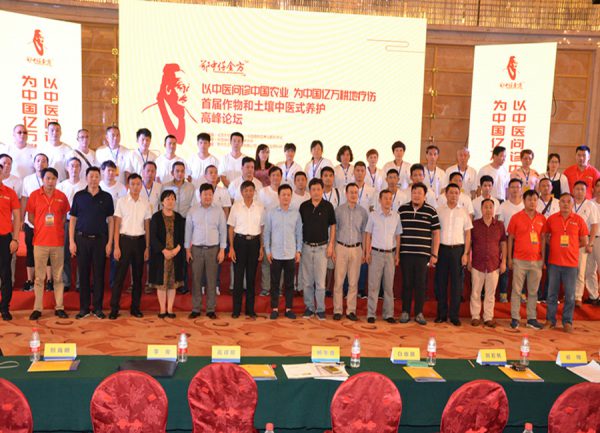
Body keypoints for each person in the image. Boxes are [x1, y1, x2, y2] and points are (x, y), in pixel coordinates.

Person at [70, 166, 114, 319]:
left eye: (96, 176)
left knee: (99, 275)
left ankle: (97, 308)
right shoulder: (79, 196)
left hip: (100, 241)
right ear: (86, 178)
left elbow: (111, 220)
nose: (94, 179)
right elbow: (73, 219)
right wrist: (71, 241)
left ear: (100, 178)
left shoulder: (106, 197)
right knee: (83, 274)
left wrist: (110, 242)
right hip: (81, 240)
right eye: (91, 176)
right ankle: (84, 308)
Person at [26, 167, 70, 320]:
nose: (51, 182)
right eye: (48, 178)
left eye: (53, 179)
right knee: (39, 278)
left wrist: (55, 228)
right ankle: (37, 308)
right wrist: (40, 227)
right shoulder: (34, 195)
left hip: (57, 242)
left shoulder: (62, 196)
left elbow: (64, 217)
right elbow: (30, 217)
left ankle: (59, 307)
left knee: (58, 277)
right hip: (40, 242)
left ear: (57, 180)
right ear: (43, 179)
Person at [109, 174, 152, 320]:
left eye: (138, 184)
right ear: (128, 185)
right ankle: (114, 308)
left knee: (138, 278)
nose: (135, 187)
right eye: (133, 184)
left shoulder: (145, 203)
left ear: (141, 185)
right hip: (124, 241)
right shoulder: (121, 201)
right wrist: (116, 246)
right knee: (119, 277)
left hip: (139, 242)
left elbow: (147, 226)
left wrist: (147, 247)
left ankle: (135, 308)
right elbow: (116, 225)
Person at [545, 193, 589, 333]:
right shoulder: (552, 219)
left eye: (568, 201)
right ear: (558, 204)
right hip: (554, 263)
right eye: (562, 201)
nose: (565, 204)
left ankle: (567, 322)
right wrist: (554, 244)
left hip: (571, 264)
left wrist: (572, 247)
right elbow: (546, 236)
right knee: (552, 294)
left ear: (572, 204)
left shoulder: (579, 220)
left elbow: (584, 241)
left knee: (570, 295)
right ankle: (550, 320)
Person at [398, 183, 440, 325]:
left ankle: (419, 313)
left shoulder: (431, 211)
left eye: (419, 193)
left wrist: (434, 254)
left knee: (420, 284)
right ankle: (405, 312)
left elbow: (436, 233)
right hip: (405, 253)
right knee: (406, 283)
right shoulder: (402, 210)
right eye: (414, 192)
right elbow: (397, 233)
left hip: (423, 255)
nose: (416, 195)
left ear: (425, 195)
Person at [185, 183, 227, 319]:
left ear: (213, 195)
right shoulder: (193, 210)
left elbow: (223, 231)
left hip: (213, 249)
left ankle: (210, 309)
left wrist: (222, 250)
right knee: (196, 279)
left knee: (211, 280)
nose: (207, 197)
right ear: (200, 195)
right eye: (205, 194)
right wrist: (187, 250)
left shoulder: (219, 211)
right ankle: (196, 308)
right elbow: (188, 231)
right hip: (196, 249)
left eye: (210, 194)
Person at [507, 189, 546, 329]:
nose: (532, 202)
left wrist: (543, 259)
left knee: (533, 291)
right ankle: (515, 318)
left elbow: (543, 239)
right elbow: (510, 238)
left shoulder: (542, 219)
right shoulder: (516, 217)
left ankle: (531, 318)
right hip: (519, 260)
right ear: (524, 201)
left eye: (535, 199)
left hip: (536, 261)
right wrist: (509, 258)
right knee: (516, 290)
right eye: (529, 199)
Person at [435, 183, 472, 326]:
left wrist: (466, 253)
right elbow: (434, 233)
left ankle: (454, 316)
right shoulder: (439, 211)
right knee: (441, 283)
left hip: (458, 251)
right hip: (442, 250)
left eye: (456, 193)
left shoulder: (463, 212)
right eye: (451, 192)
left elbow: (468, 234)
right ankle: (441, 314)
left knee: (457, 285)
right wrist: (434, 253)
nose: (454, 195)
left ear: (459, 195)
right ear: (446, 194)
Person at [264, 184, 302, 319]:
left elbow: (299, 233)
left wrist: (298, 251)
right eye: (283, 195)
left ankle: (288, 308)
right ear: (279, 196)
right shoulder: (271, 213)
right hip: (275, 254)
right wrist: (267, 251)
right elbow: (267, 233)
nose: (286, 197)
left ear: (291, 197)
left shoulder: (296, 213)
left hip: (290, 253)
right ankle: (274, 308)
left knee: (289, 283)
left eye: (288, 195)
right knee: (275, 283)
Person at [299, 178, 336, 320]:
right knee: (307, 281)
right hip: (306, 247)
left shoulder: (328, 206)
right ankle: (309, 308)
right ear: (310, 191)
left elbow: (333, 225)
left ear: (322, 190)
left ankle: (320, 309)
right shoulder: (304, 206)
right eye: (313, 189)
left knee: (320, 282)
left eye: (318, 189)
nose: (316, 192)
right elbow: (299, 227)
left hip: (322, 248)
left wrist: (331, 245)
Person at [228, 181, 265, 318]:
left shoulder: (260, 207)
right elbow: (231, 228)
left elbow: (262, 228)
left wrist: (261, 247)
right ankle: (236, 310)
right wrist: (231, 247)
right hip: (239, 242)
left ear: (254, 192)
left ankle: (250, 309)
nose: (248, 193)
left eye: (251, 190)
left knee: (251, 277)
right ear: (241, 192)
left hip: (254, 243)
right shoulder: (236, 206)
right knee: (238, 277)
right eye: (246, 191)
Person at [364, 189, 401, 323]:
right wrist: (367, 252)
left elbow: (398, 236)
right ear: (380, 200)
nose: (388, 201)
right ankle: (371, 314)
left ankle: (388, 314)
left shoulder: (396, 216)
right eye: (385, 198)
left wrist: (397, 254)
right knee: (373, 286)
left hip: (390, 254)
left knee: (388, 286)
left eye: (390, 198)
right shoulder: (373, 215)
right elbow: (368, 234)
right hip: (376, 254)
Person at [469, 199, 506, 328]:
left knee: (491, 293)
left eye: (491, 207)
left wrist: (503, 262)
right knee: (476, 292)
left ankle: (488, 317)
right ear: (481, 209)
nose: (488, 210)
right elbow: (469, 244)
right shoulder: (474, 225)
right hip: (477, 263)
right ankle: (475, 316)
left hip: (494, 264)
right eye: (486, 207)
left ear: (494, 209)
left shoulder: (500, 225)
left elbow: (503, 244)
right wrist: (469, 259)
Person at [333, 183, 368, 321]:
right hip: (341, 247)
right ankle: (337, 310)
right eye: (351, 192)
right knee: (338, 281)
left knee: (353, 282)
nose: (353, 195)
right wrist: (333, 248)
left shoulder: (363, 212)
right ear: (346, 194)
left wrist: (364, 251)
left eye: (355, 192)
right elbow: (334, 230)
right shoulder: (338, 210)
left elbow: (364, 233)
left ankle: (351, 310)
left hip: (356, 249)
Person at [149, 189, 185, 318]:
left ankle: (170, 309)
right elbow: (153, 237)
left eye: (173, 199)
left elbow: (183, 236)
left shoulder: (179, 218)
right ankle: (162, 309)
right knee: (161, 283)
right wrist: (164, 250)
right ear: (162, 202)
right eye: (167, 199)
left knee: (172, 283)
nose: (170, 201)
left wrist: (176, 250)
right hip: (161, 255)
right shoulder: (156, 217)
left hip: (175, 255)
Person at [162, 161, 196, 294]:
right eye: (177, 171)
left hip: (184, 222)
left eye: (182, 171)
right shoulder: (165, 186)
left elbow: (193, 206)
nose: (180, 173)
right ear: (172, 172)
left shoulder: (191, 187)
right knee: (168, 251)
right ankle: (167, 282)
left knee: (182, 253)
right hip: (168, 221)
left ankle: (182, 283)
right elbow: (161, 204)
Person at [142, 63, 195, 144]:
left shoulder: (190, 116)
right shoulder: (148, 113)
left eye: (187, 89)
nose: (185, 94)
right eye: (181, 88)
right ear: (168, 89)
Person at [57, 157, 87, 291]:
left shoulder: (85, 185)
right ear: (67, 168)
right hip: (65, 223)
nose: (74, 169)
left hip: (82, 224)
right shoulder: (61, 186)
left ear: (80, 168)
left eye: (77, 166)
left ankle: (81, 283)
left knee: (82, 254)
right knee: (64, 254)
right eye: (71, 166)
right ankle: (66, 282)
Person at [21, 153, 49, 292]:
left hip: (47, 223)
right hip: (30, 222)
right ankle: (30, 280)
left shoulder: (51, 178)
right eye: (38, 160)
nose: (40, 163)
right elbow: (24, 199)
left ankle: (49, 281)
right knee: (30, 250)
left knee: (48, 251)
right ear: (34, 163)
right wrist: (22, 218)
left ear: (47, 164)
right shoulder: (27, 180)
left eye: (44, 161)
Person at [572, 181, 599, 307]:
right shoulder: (569, 202)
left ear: (586, 191)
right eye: (577, 189)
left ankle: (578, 296)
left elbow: (594, 225)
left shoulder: (590, 205)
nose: (579, 192)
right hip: (569, 240)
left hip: (584, 240)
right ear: (573, 190)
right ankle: (570, 294)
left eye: (582, 189)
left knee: (581, 269)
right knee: (570, 269)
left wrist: (590, 243)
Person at [497, 178, 525, 303]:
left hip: (522, 241)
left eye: (517, 187)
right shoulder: (503, 206)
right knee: (505, 268)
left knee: (521, 268)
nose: (515, 190)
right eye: (512, 187)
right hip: (507, 240)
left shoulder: (525, 205)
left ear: (521, 189)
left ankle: (521, 293)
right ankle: (503, 294)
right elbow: (500, 226)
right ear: (508, 189)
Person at [0, 162, 21, 321]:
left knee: (6, 274)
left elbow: (17, 217)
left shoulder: (10, 193)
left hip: (5, 238)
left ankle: (4, 307)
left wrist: (15, 238)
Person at [258, 166, 283, 296]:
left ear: (281, 177)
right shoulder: (263, 192)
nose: (275, 177)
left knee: (280, 261)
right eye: (273, 175)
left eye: (278, 175)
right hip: (267, 230)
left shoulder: (285, 191)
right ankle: (266, 288)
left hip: (282, 232)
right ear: (269, 177)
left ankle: (278, 289)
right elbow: (259, 212)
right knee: (266, 262)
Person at [584, 179, 600, 306]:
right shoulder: (589, 203)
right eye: (598, 186)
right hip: (589, 239)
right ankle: (593, 296)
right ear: (593, 188)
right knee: (589, 269)